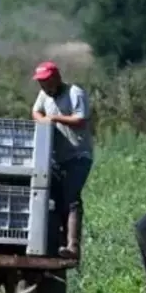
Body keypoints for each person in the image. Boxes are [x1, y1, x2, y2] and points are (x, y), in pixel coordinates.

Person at [30, 60, 94, 261]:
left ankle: (73, 246)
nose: (43, 86)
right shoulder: (44, 95)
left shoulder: (75, 92)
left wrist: (55, 119)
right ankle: (58, 245)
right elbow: (35, 111)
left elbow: (80, 119)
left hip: (78, 155)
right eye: (40, 82)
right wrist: (42, 120)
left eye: (46, 81)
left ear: (56, 78)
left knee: (72, 198)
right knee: (56, 200)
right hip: (57, 158)